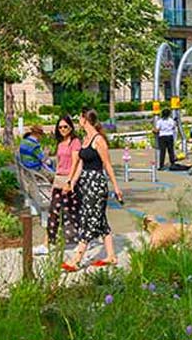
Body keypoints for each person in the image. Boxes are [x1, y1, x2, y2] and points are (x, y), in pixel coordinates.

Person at [64, 109, 123, 271]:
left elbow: (107, 165)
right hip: (86, 183)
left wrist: (116, 187)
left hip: (96, 184)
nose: (78, 121)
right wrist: (71, 182)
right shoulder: (85, 139)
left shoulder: (99, 140)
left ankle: (76, 259)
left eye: (79, 118)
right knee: (101, 222)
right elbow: (80, 164)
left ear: (85, 120)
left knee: (89, 219)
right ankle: (111, 256)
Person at [46, 115, 81, 251]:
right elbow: (59, 163)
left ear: (71, 127)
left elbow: (75, 163)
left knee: (70, 211)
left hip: (69, 179)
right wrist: (55, 180)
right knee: (53, 211)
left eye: (65, 126)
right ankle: (50, 241)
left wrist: (69, 182)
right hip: (59, 178)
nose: (62, 129)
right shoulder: (60, 143)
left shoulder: (75, 142)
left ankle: (74, 240)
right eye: (60, 127)